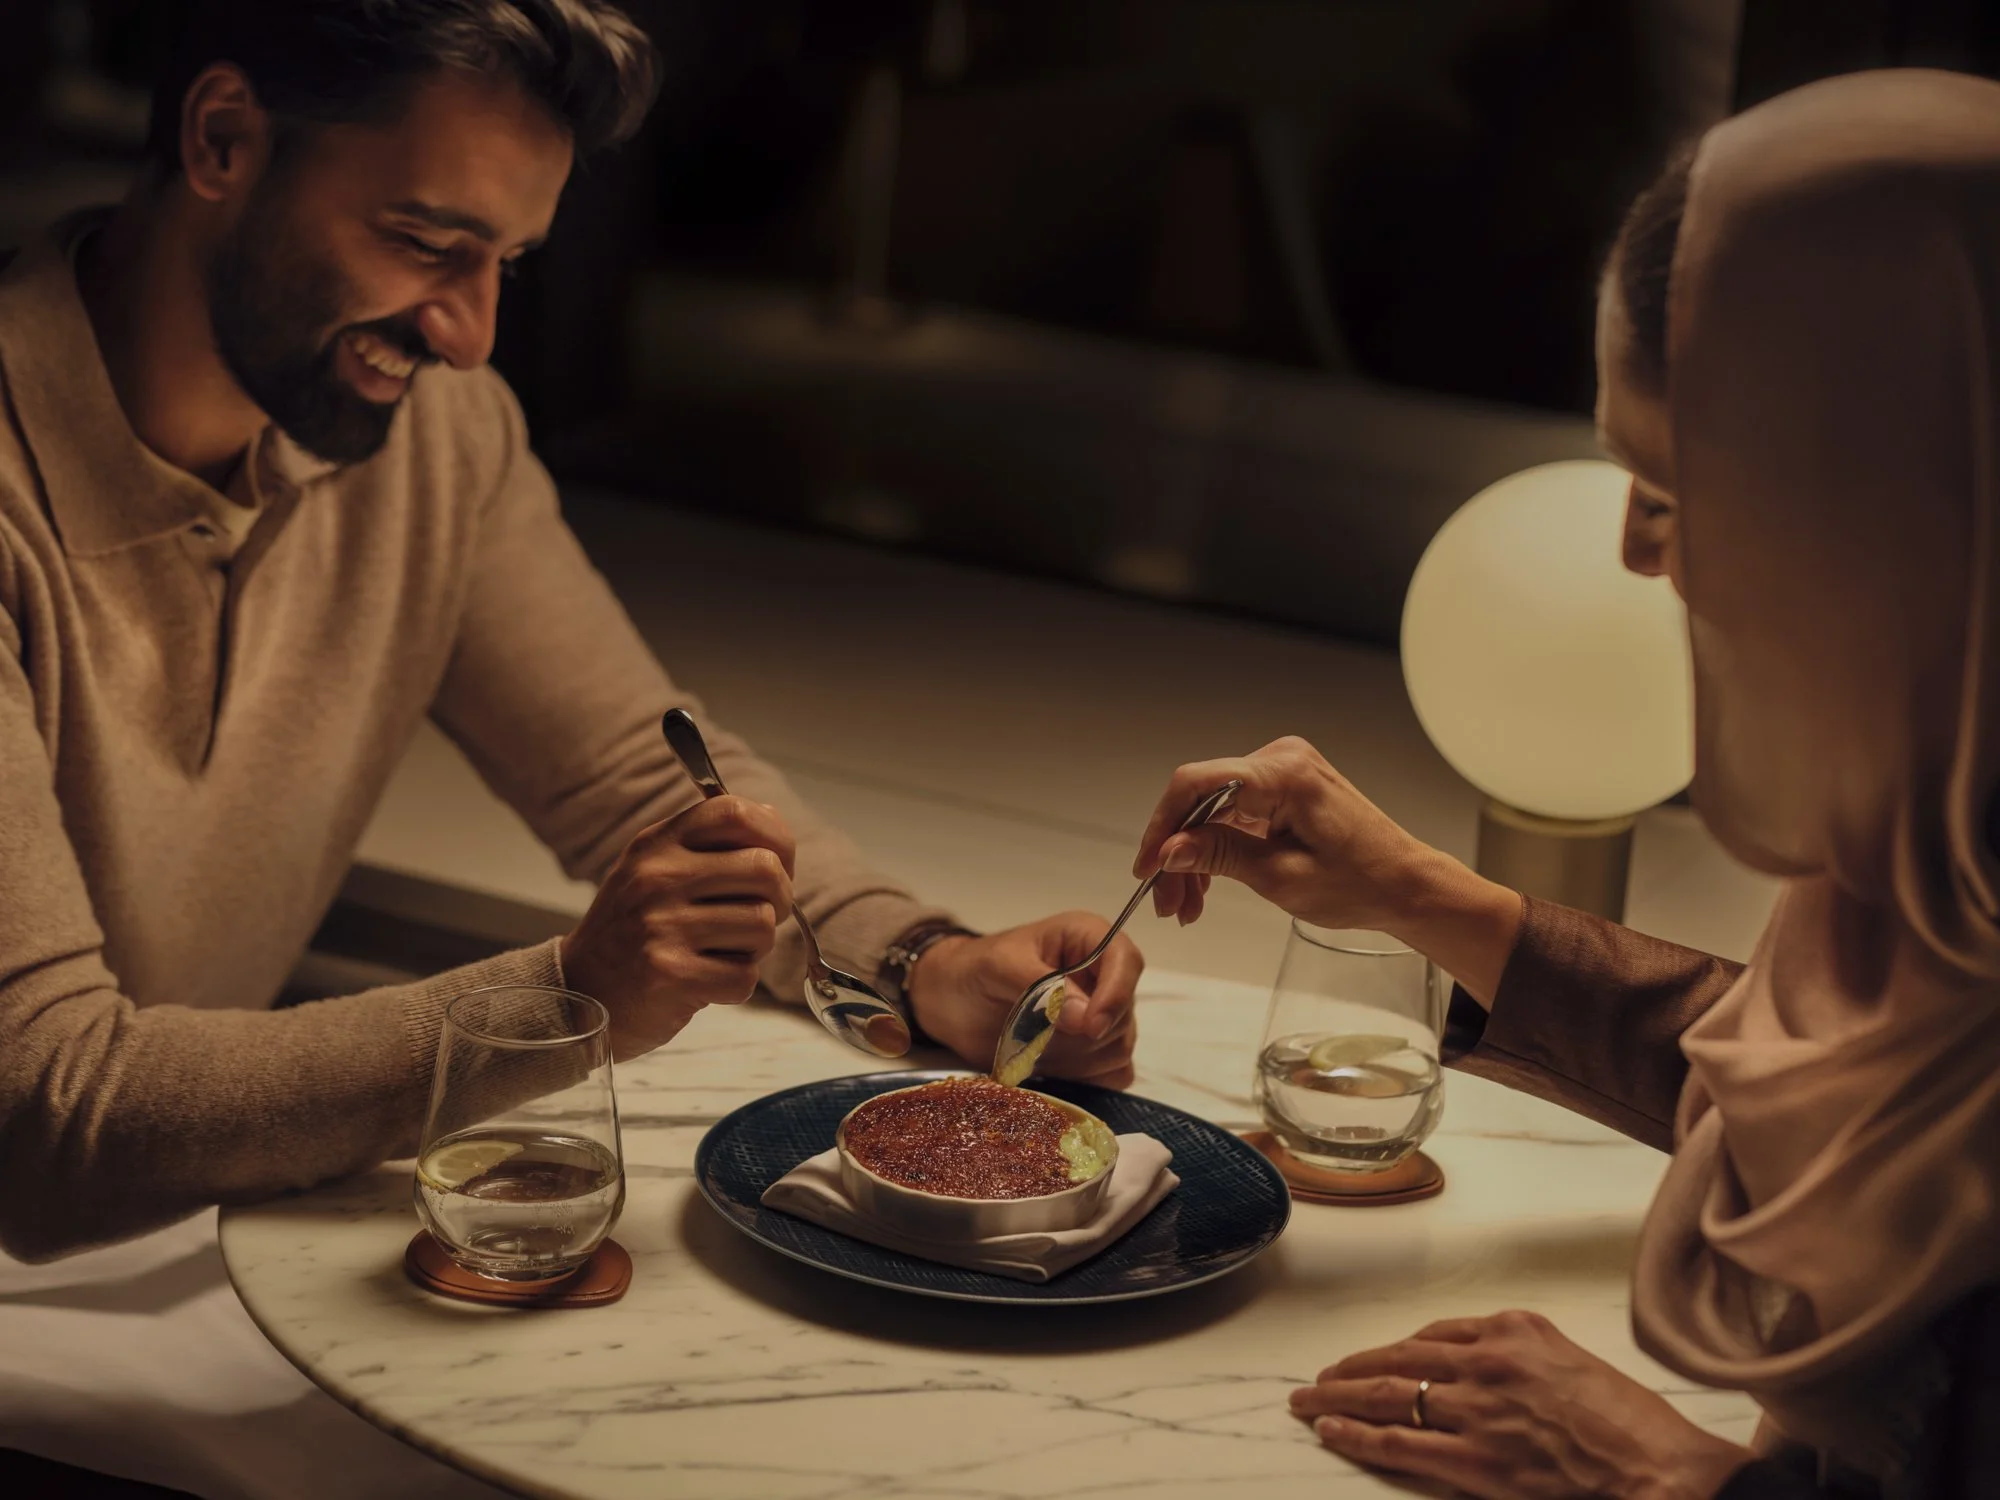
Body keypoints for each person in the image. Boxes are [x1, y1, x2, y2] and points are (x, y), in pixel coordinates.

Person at [0, 0, 1142, 1266]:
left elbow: (636, 770)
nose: (471, 333)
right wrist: (567, 999)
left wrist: (919, 959)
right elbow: (45, 1121)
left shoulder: (428, 435)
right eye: (427, 240)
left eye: (508, 263)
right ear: (222, 139)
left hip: (175, 1237)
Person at [1133, 69, 2000, 1500]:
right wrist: (1414, 892)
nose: (1637, 558)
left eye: (1673, 492)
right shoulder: (1938, 847)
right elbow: (1851, 1097)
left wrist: (1674, 1479)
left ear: (1899, 511)